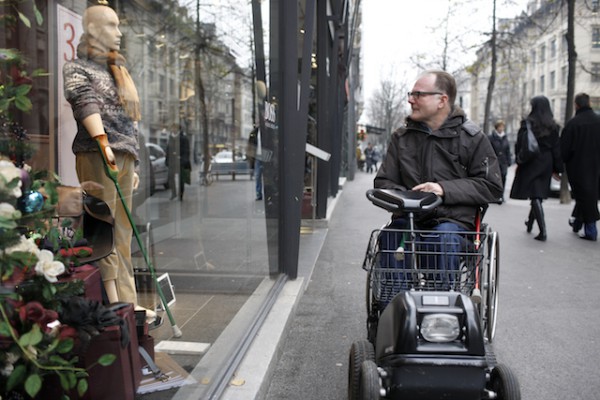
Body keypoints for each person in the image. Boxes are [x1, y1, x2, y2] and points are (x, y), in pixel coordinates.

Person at [63, 5, 155, 321]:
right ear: (94, 30)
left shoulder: (117, 71)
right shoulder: (77, 68)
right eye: (112, 25)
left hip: (123, 156)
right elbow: (83, 102)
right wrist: (103, 143)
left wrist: (137, 163)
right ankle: (114, 302)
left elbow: (131, 122)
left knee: (124, 233)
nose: (119, 32)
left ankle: (127, 302)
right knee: (104, 229)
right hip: (97, 156)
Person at [375, 70, 503, 287]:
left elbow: (491, 186)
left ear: (442, 100)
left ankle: (440, 308)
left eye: (418, 94)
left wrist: (442, 189)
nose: (410, 99)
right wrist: (410, 198)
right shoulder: (401, 138)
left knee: (442, 239)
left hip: (453, 223)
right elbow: (383, 182)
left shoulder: (472, 139)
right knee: (390, 237)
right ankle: (397, 306)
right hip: (410, 219)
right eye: (411, 94)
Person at [509, 96, 563, 242]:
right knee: (537, 194)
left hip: (531, 162)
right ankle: (530, 223)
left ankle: (543, 231)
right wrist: (558, 169)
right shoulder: (553, 126)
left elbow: (520, 145)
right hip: (546, 161)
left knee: (535, 196)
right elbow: (557, 149)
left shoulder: (527, 124)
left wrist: (518, 162)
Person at [560, 93, 600, 241]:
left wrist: (558, 167)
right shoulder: (598, 121)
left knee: (585, 197)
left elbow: (564, 150)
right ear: (589, 103)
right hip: (597, 166)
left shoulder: (573, 124)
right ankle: (577, 223)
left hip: (579, 168)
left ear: (576, 105)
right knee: (589, 196)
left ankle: (591, 230)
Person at [488, 119, 512, 203]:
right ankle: (495, 195)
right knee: (495, 178)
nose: (501, 128)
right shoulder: (491, 138)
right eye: (500, 127)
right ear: (497, 127)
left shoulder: (505, 138)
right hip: (495, 161)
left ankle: (501, 195)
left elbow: (507, 150)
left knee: (503, 177)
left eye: (503, 127)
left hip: (503, 162)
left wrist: (509, 161)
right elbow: (489, 149)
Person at [166, 123, 191, 201]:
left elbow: (186, 151)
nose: (173, 129)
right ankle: (174, 193)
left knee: (181, 180)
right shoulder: (170, 138)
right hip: (172, 162)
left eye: (175, 128)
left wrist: (183, 160)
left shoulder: (183, 138)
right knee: (170, 177)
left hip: (180, 162)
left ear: (178, 129)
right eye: (172, 128)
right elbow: (168, 150)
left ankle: (180, 195)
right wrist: (167, 160)